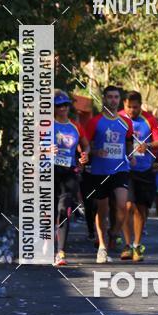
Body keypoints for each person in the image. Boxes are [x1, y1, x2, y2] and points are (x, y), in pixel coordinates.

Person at [84, 85, 134, 264]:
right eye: (110, 97)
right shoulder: (95, 122)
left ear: (119, 100)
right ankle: (102, 247)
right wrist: (94, 152)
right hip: (100, 170)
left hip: (120, 168)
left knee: (122, 205)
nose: (113, 100)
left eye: (116, 97)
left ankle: (114, 232)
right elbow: (86, 144)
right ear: (104, 99)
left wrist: (131, 155)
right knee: (102, 209)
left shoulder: (125, 122)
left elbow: (129, 141)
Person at [119, 92, 158, 262]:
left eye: (135, 107)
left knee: (140, 210)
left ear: (141, 105)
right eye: (129, 106)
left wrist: (148, 145)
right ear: (124, 104)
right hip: (125, 169)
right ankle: (127, 244)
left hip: (145, 170)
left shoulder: (149, 120)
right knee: (127, 206)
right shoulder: (119, 118)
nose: (131, 110)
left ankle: (137, 245)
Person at [52, 90, 89, 266]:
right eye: (59, 105)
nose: (63, 109)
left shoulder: (75, 126)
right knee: (49, 212)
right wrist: (45, 151)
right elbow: (31, 149)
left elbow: (86, 146)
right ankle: (46, 244)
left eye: (66, 105)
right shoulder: (46, 125)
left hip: (69, 173)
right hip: (49, 173)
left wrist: (85, 155)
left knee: (63, 210)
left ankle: (60, 252)